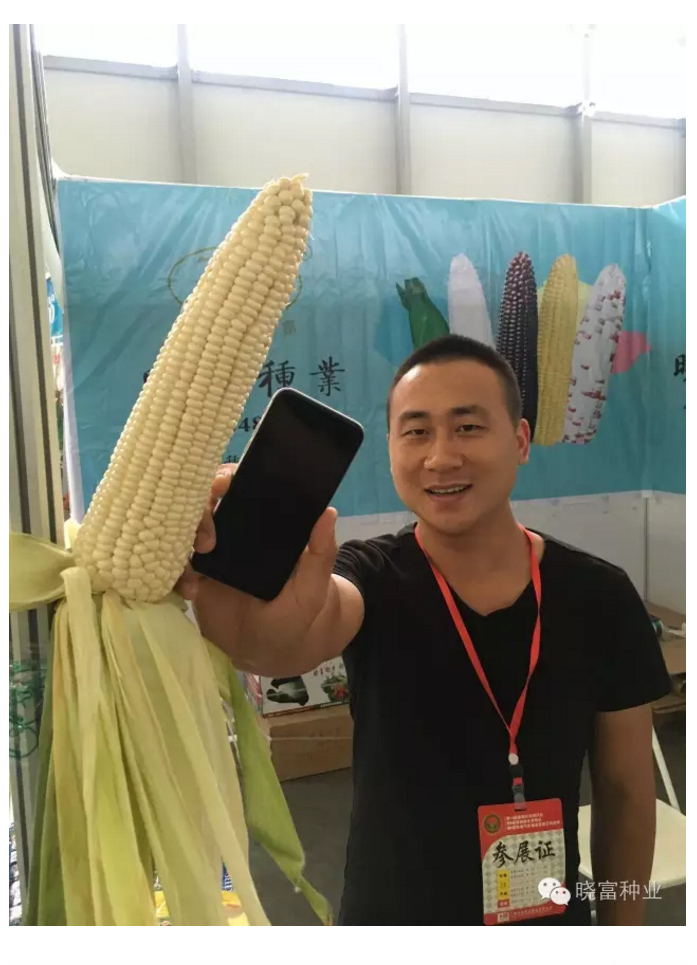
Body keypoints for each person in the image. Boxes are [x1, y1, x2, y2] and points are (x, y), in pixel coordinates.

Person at [178, 335, 671, 926]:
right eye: (416, 432)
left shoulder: (599, 594)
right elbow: (287, 639)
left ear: (520, 441)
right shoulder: (369, 575)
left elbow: (626, 792)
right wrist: (233, 610)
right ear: (391, 449)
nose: (440, 457)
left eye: (467, 427)